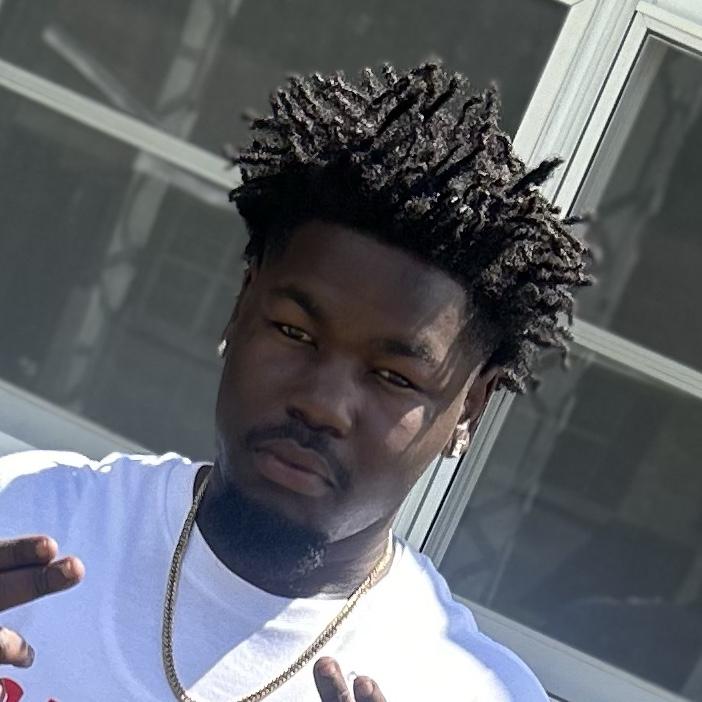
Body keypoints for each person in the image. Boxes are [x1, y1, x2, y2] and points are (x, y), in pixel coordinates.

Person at [0, 63, 589, 701]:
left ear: (468, 408)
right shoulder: (24, 515)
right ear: (241, 305)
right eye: (294, 333)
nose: (322, 403)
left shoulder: (468, 690)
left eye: (393, 376)